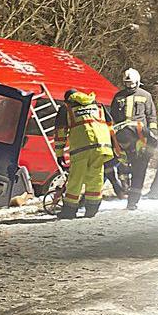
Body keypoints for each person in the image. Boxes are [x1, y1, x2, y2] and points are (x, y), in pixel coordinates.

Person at [53, 88, 114, 219]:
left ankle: (69, 211)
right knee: (95, 178)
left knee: (76, 179)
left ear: (68, 99)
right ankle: (92, 209)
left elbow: (60, 133)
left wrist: (59, 153)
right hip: (101, 147)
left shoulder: (66, 109)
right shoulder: (97, 105)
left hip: (81, 148)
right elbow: (110, 123)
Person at [109, 68, 157, 210]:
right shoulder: (118, 97)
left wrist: (153, 133)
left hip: (140, 136)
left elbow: (151, 116)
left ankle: (133, 201)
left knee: (139, 168)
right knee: (119, 164)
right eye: (127, 83)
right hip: (121, 136)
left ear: (137, 82)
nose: (129, 86)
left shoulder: (145, 96)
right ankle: (122, 188)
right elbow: (112, 117)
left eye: (131, 83)